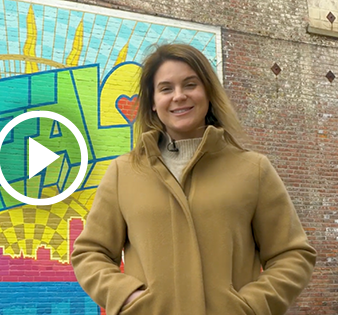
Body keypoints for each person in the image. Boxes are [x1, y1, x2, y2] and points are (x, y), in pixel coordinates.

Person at [70, 44, 316, 315]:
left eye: (190, 84)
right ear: (152, 102)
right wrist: (127, 297)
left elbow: (292, 254)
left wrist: (251, 306)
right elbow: (90, 252)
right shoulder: (124, 172)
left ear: (208, 92)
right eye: (166, 88)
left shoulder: (253, 169)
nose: (179, 96)